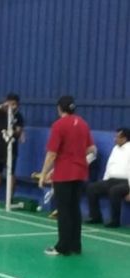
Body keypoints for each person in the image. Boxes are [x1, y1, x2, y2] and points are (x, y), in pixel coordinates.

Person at [38, 96, 96, 256]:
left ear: (59, 108)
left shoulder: (59, 125)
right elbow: (91, 148)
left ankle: (62, 247)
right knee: (74, 209)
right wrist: (77, 155)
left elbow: (52, 153)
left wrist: (43, 174)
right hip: (80, 172)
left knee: (63, 210)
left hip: (64, 174)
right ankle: (75, 245)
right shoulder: (83, 124)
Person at [85, 128, 130, 228]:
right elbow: (110, 165)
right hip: (112, 180)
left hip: (126, 182)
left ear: (125, 139)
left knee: (114, 191)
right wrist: (105, 180)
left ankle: (115, 221)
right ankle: (95, 216)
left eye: (117, 137)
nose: (115, 139)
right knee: (92, 187)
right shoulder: (115, 149)